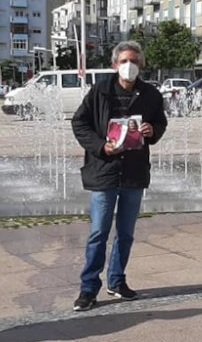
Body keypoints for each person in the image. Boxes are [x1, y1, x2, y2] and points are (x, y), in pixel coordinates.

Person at [71, 41, 167, 311]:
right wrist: (101, 145)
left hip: (134, 172)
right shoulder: (100, 91)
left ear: (142, 65)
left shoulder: (150, 94)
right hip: (105, 171)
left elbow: (160, 122)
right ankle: (89, 288)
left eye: (134, 61)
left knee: (126, 233)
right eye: (124, 61)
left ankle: (117, 280)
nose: (129, 66)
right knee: (98, 232)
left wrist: (152, 130)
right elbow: (80, 123)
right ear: (115, 65)